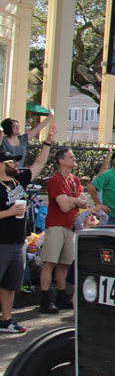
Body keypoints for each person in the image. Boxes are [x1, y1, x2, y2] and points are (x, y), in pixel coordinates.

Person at [0, 126, 55, 332]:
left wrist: (48, 141)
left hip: (18, 243)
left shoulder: (18, 182)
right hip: (1, 243)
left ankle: (6, 321)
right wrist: (8, 212)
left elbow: (39, 163)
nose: (16, 163)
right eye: (11, 161)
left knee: (10, 285)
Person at [41, 146, 88, 314]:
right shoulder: (55, 179)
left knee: (65, 263)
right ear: (61, 161)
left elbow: (83, 202)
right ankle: (45, 298)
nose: (74, 159)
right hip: (55, 225)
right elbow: (62, 206)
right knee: (50, 262)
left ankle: (61, 295)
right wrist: (75, 201)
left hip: (71, 226)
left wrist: (72, 200)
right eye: (71, 157)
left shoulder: (75, 180)